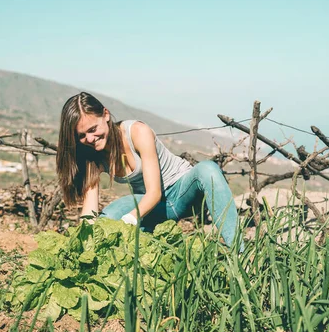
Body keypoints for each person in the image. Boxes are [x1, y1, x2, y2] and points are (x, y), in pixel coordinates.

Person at [56, 92, 240, 249]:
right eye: (82, 135)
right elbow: (90, 212)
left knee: (207, 169)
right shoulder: (92, 157)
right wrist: (83, 243)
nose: (90, 138)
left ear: (105, 114)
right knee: (108, 217)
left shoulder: (136, 131)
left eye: (93, 129)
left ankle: (238, 252)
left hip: (182, 194)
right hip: (152, 207)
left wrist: (130, 219)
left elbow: (154, 192)